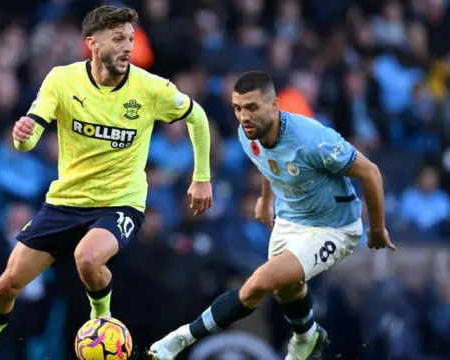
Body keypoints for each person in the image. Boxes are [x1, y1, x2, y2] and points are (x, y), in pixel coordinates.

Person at [0, 5, 213, 360]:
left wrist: (202, 177)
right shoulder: (62, 80)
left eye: (130, 39)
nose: (128, 47)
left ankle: (101, 320)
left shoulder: (150, 88)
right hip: (66, 202)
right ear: (92, 43)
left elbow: (196, 116)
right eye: (118, 39)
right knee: (7, 284)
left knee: (87, 258)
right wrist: (22, 138)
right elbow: (30, 135)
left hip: (120, 202)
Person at [149, 71, 394, 360]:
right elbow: (268, 160)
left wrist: (377, 229)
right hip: (292, 218)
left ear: (275, 106)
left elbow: (371, 172)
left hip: (333, 226)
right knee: (288, 290)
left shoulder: (313, 139)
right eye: (238, 108)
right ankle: (307, 336)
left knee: (259, 283)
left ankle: (180, 339)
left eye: (252, 108)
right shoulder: (246, 134)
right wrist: (266, 200)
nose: (244, 116)